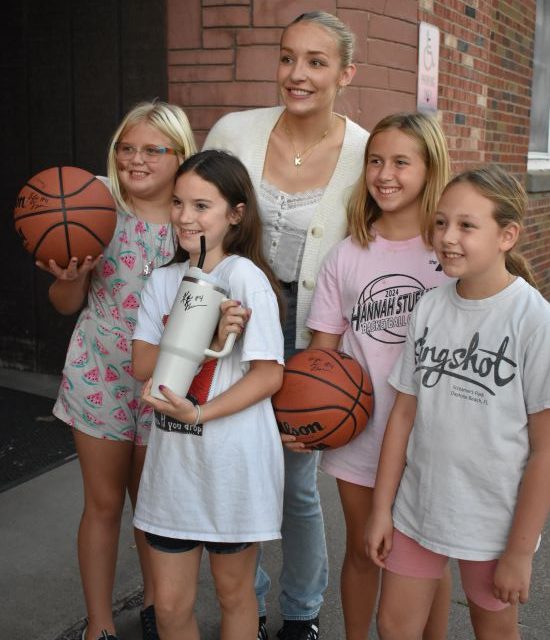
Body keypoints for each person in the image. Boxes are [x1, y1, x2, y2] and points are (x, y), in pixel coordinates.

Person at [204, 11, 369, 639]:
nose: (297, 74)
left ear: (345, 73)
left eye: (317, 61)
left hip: (311, 334)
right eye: (287, 57)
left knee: (295, 483)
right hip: (232, 320)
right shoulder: (233, 130)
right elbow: (199, 211)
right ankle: (251, 602)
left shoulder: (363, 151)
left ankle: (301, 612)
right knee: (233, 469)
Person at [366, 165, 550, 640]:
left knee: (492, 630)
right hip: (419, 506)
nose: (448, 237)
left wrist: (519, 552)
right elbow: (403, 414)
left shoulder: (533, 321)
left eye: (467, 226)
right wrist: (382, 509)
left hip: (492, 521)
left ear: (507, 235)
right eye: (442, 222)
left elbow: (545, 450)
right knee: (393, 626)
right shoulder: (430, 306)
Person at [39, 100, 197, 640]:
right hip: (99, 371)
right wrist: (70, 275)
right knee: (103, 504)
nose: (136, 159)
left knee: (153, 510)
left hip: (166, 379)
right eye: (126, 148)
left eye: (153, 150)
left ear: (180, 156)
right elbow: (65, 304)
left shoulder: (192, 220)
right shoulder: (93, 208)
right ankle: (100, 625)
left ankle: (157, 609)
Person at [303, 112, 452, 639]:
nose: (385, 174)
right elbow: (321, 358)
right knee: (366, 549)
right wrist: (307, 421)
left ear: (430, 169)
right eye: (375, 161)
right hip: (361, 433)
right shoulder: (345, 256)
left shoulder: (450, 252)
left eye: (401, 163)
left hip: (435, 437)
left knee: (428, 560)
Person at [130, 149, 285, 640]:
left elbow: (267, 376)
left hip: (232, 465)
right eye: (178, 203)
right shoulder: (162, 280)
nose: (184, 216)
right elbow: (141, 366)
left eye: (202, 206)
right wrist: (209, 338)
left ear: (235, 215)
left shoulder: (244, 278)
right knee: (171, 606)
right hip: (173, 468)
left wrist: (199, 413)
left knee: (235, 595)